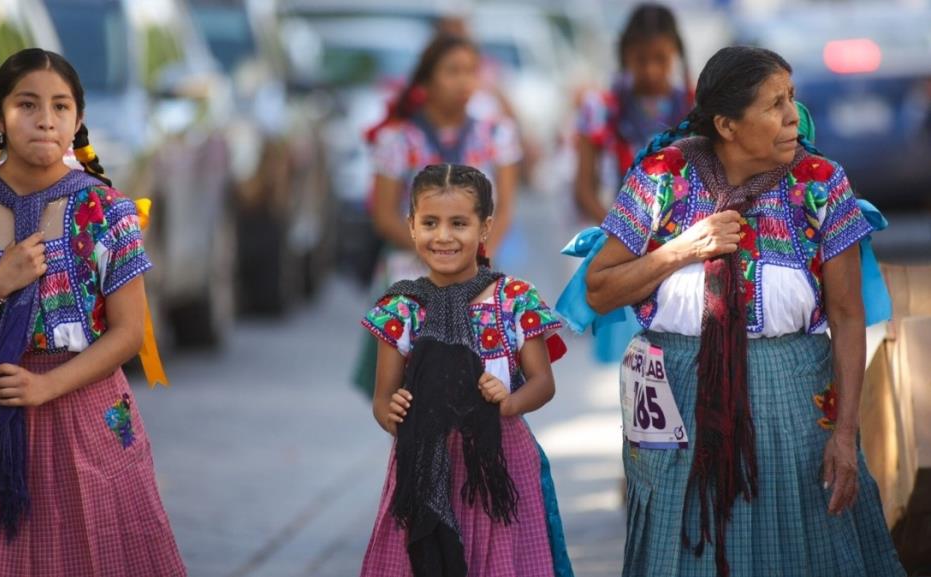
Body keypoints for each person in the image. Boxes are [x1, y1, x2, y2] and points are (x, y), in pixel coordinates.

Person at [569, 45, 906, 576]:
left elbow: (846, 314)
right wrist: (685, 247)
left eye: (791, 97)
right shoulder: (663, 175)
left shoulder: (820, 184)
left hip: (792, 396)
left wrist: (845, 434)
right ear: (726, 124)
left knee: (803, 542)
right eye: (774, 104)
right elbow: (599, 290)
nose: (793, 115)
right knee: (681, 545)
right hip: (677, 393)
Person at [0, 48, 185, 576]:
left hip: (88, 414)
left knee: (96, 555)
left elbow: (128, 334)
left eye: (60, 107)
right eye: (27, 104)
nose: (45, 120)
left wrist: (45, 388)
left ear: (78, 120)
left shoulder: (107, 212)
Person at [360, 164, 572, 576]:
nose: (443, 236)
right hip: (423, 468)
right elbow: (382, 399)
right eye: (430, 223)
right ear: (411, 226)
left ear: (485, 227)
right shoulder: (400, 307)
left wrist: (508, 403)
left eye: (459, 223)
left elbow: (544, 383)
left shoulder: (514, 299)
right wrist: (393, 410)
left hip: (500, 464)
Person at [353, 34, 522, 397]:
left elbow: (506, 206)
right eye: (452, 71)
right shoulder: (399, 138)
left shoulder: (496, 133)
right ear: (427, 80)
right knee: (405, 387)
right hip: (412, 270)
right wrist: (437, 249)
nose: (464, 81)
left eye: (470, 71)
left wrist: (476, 256)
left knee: (477, 381)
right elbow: (384, 214)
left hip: (477, 271)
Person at [570, 3, 693, 363]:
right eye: (641, 59)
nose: (652, 69)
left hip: (683, 246)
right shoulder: (601, 108)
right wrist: (623, 234)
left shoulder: (695, 105)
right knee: (632, 366)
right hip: (622, 249)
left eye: (661, 58)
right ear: (624, 56)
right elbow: (584, 188)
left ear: (676, 54)